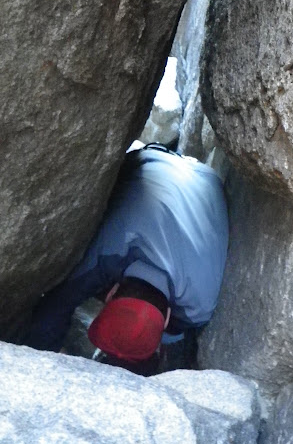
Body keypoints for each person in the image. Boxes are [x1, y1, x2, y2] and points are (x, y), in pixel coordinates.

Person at [24, 144, 229, 373]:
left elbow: (54, 309)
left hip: (190, 174)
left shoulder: (201, 306)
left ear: (110, 293)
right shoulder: (105, 253)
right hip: (168, 166)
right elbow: (55, 307)